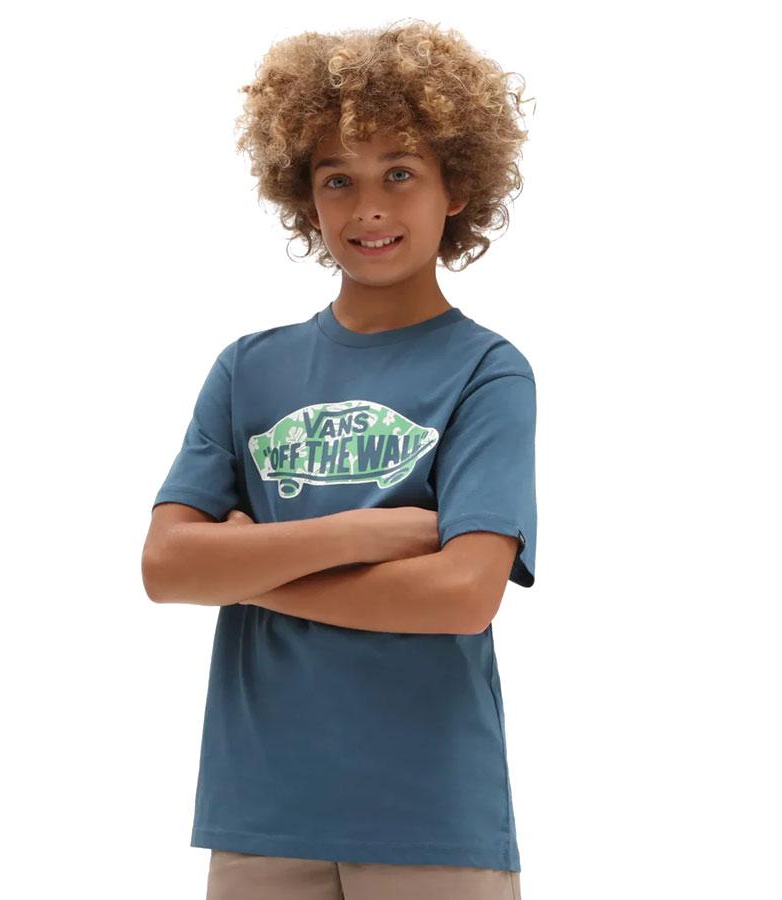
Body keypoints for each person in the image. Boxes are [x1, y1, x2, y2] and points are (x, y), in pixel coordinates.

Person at [142, 18, 536, 900]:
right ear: (305, 197)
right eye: (337, 179)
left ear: (456, 185)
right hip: (258, 816)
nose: (368, 208)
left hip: (431, 818)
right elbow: (166, 567)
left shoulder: (487, 371)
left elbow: (462, 594)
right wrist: (367, 534)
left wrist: (247, 571)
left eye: (400, 172)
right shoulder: (248, 369)